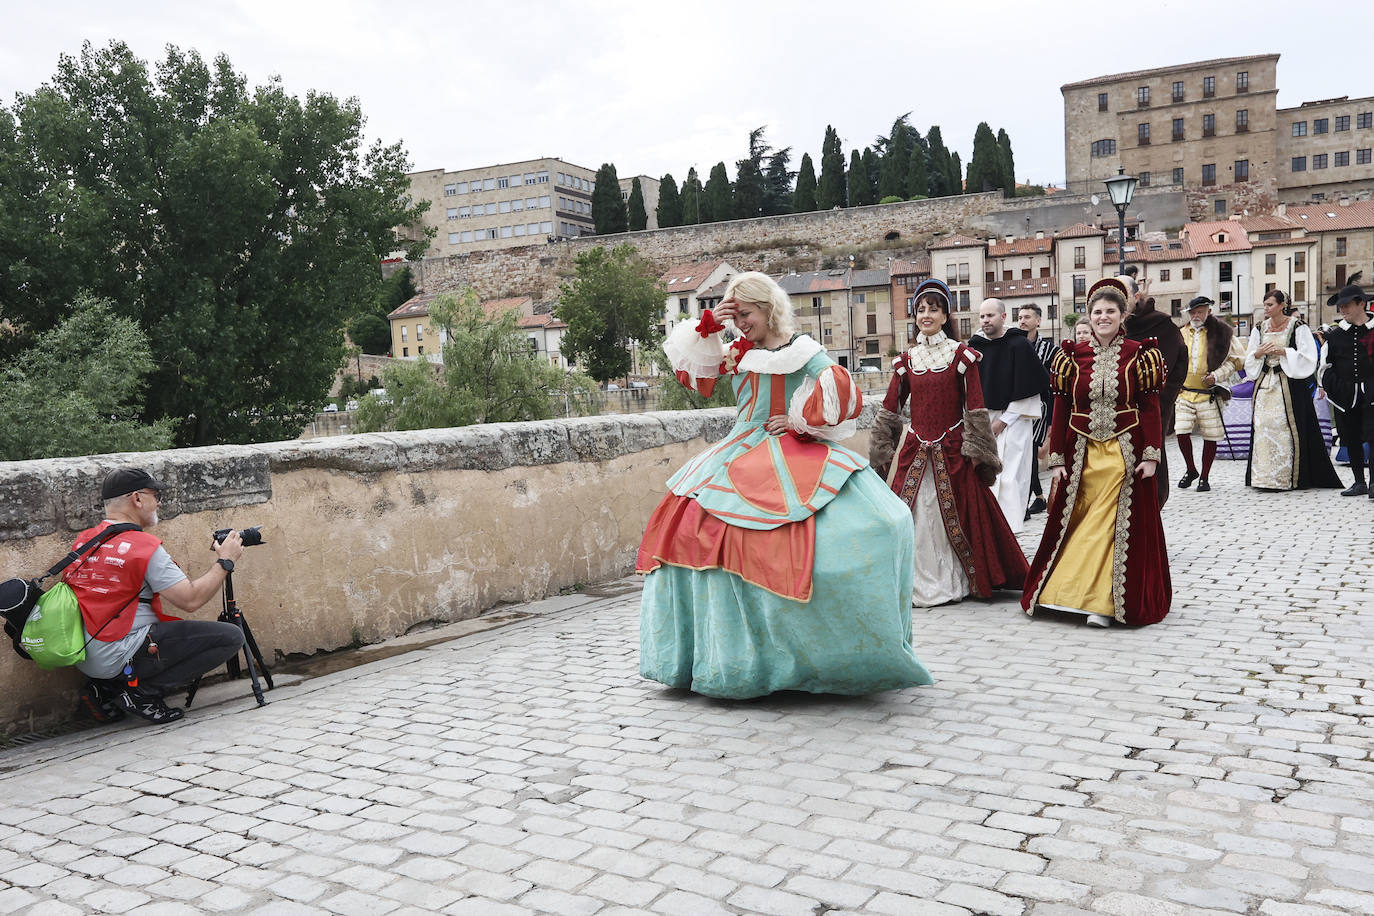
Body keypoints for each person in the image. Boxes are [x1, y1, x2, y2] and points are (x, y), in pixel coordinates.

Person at [636, 271, 933, 699]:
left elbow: (838, 387)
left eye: (747, 314)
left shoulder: (801, 349)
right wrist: (709, 328)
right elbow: (696, 377)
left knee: (881, 523)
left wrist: (798, 420)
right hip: (738, 448)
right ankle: (727, 657)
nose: (741, 324)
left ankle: (817, 652)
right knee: (698, 530)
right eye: (734, 316)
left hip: (789, 446)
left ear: (769, 307)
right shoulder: (738, 349)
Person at [1022, 278, 1171, 627]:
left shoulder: (1141, 354)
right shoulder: (1071, 357)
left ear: (1123, 315)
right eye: (1097, 312)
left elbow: (1151, 406)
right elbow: (1061, 409)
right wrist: (1056, 458)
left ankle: (1104, 603)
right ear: (1088, 316)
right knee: (1080, 523)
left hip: (1125, 454)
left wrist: (1151, 455)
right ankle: (1068, 592)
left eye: (1110, 311)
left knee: (1112, 525)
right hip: (1082, 453)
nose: (1103, 317)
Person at [870, 279, 1028, 607]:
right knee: (910, 516)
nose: (926, 315)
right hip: (916, 450)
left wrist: (981, 453)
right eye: (921, 309)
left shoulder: (961, 356)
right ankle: (911, 582)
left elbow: (975, 407)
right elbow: (890, 409)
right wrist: (881, 453)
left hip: (953, 450)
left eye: (934, 309)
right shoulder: (906, 361)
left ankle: (956, 579)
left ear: (946, 316)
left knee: (959, 516)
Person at [66, 468, 247, 724]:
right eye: (155, 494)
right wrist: (226, 561)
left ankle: (106, 689)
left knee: (157, 629)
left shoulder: (84, 541)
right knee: (229, 637)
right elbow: (190, 600)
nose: (159, 502)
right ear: (137, 499)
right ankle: (141, 693)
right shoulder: (143, 548)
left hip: (83, 655)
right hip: (121, 651)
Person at [1244, 290, 1342, 491]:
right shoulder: (1259, 328)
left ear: (1282, 305)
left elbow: (1309, 356)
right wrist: (1259, 353)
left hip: (1288, 385)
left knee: (1286, 428)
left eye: (1270, 304)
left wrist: (1284, 352)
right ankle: (1263, 477)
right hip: (1264, 386)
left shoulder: (1297, 327)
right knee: (1263, 426)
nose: (1266, 309)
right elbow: (1250, 356)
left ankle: (1286, 476)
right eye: (1265, 305)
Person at [968, 298, 1049, 534]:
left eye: (990, 315)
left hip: (1015, 420)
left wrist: (1003, 422)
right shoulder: (975, 349)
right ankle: (989, 532)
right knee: (985, 481)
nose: (985, 320)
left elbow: (1031, 388)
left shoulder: (1018, 346)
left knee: (1011, 479)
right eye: (982, 316)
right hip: (984, 423)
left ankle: (1010, 532)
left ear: (1003, 317)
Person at [1175, 296, 1246, 492]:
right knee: (1181, 431)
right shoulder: (1180, 333)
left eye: (1200, 311)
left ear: (1208, 312)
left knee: (1211, 435)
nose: (1196, 315)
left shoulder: (1222, 333)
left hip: (1209, 394)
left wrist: (1217, 375)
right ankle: (1191, 469)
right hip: (1185, 392)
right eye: (1193, 312)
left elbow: (1237, 360)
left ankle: (1204, 477)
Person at [1125, 295, 1187, 507]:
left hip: (1153, 405)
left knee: (1151, 454)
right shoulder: (1113, 328)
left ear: (1136, 297)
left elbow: (1178, 363)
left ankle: (1152, 505)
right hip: (1118, 413)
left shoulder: (1161, 324)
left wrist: (1164, 397)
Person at [1318, 284, 1374, 497]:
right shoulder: (1335, 336)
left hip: (1372, 393)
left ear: (1361, 304)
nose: (1342, 310)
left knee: (1373, 435)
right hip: (1346, 396)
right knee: (1350, 437)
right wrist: (1339, 389)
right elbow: (1325, 367)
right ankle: (1359, 482)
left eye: (1347, 305)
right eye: (1340, 306)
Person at [1018, 304, 1057, 517]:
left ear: (1038, 321)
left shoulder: (1050, 350)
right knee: (1024, 455)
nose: (1022, 320)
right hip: (1017, 409)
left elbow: (1053, 387)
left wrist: (1052, 421)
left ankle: (1032, 500)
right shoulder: (1013, 345)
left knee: (1030, 453)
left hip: (1041, 409)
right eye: (1020, 317)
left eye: (1027, 317)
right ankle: (1037, 497)